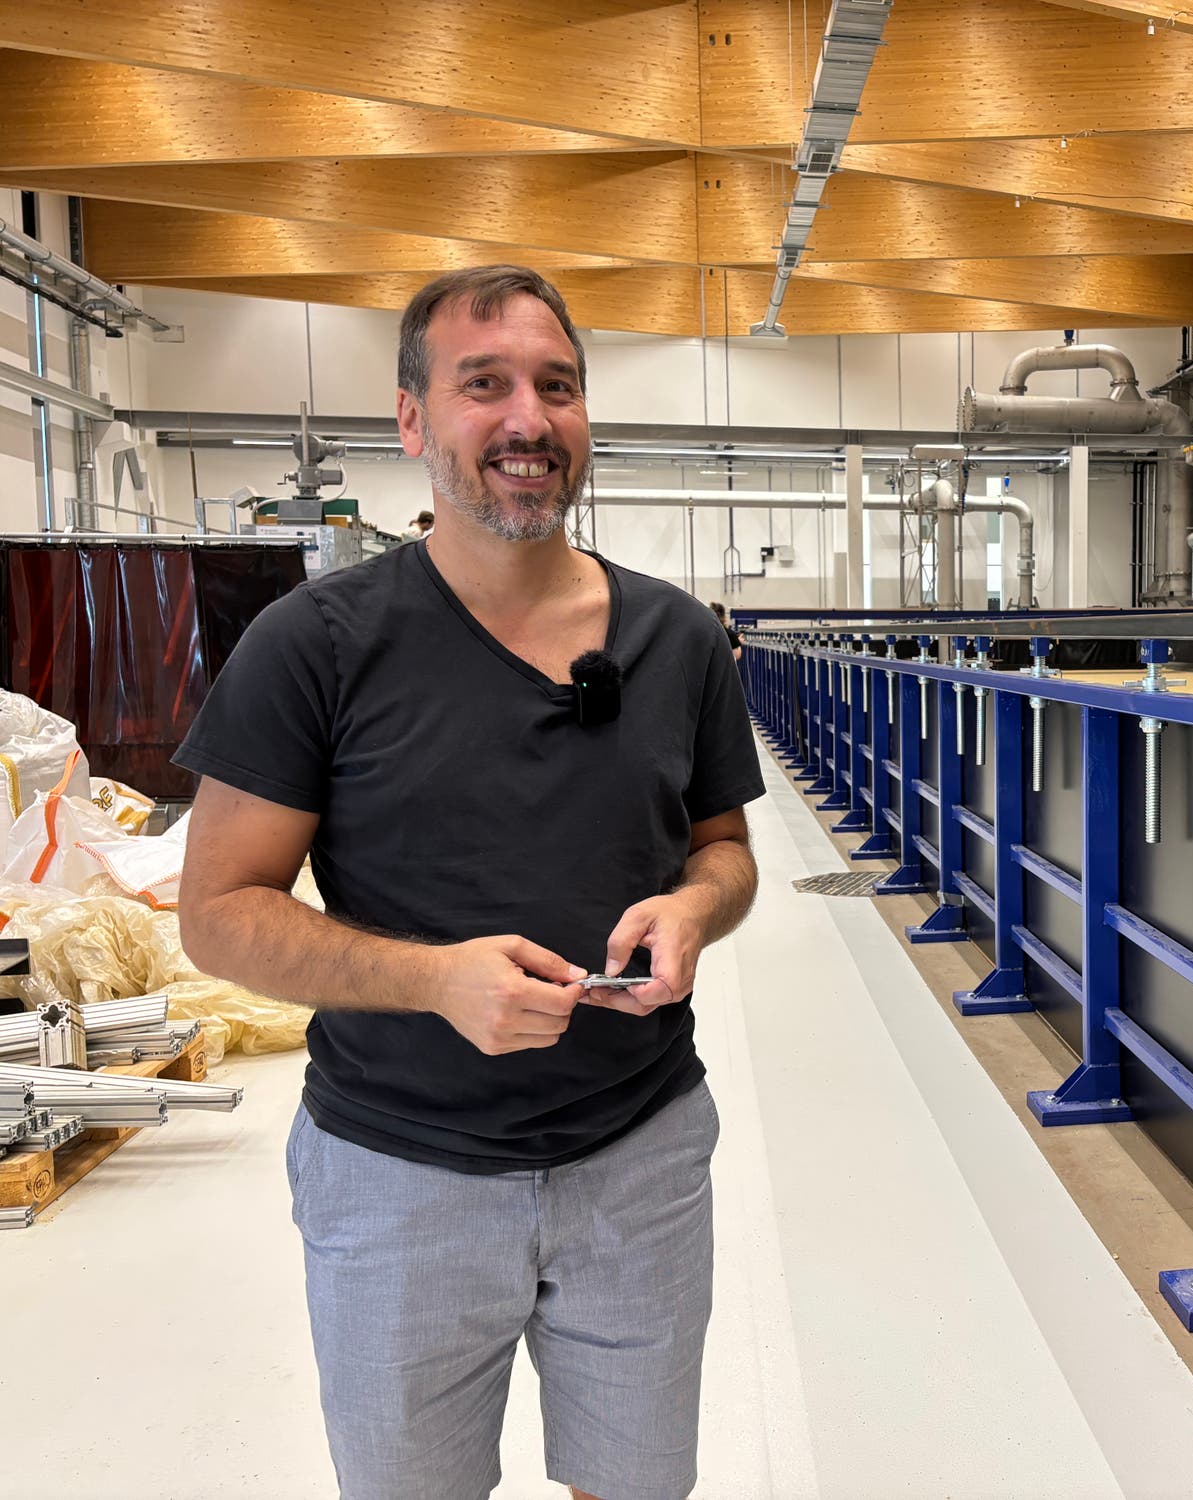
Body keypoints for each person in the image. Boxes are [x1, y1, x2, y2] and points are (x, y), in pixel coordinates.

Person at [174, 265, 763, 1500]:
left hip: (638, 1159)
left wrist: (695, 907)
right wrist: (434, 981)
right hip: (400, 1175)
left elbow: (725, 848)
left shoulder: (678, 642)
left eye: (557, 386)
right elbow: (219, 916)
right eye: (481, 384)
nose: (526, 421)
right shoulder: (315, 647)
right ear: (411, 422)